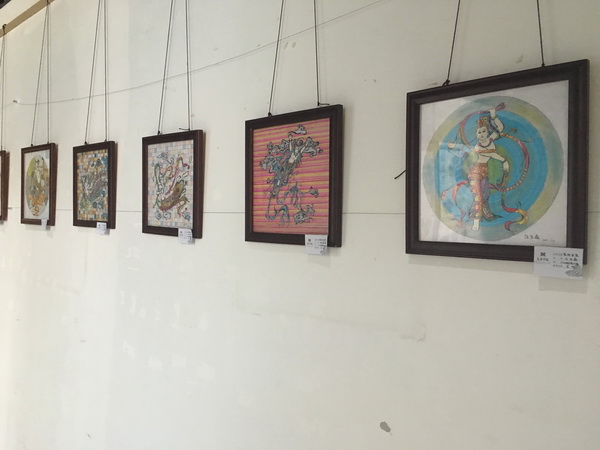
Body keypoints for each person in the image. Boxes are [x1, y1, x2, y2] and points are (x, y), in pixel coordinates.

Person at [468, 108, 509, 231]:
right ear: (476, 135)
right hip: (475, 172)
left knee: (486, 194)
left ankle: (485, 214)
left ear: (487, 132)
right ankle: (476, 221)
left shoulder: (491, 139)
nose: (481, 134)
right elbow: (492, 154)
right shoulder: (478, 147)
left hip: (484, 171)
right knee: (478, 196)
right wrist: (504, 161)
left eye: (483, 131)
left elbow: (500, 127)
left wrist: (493, 115)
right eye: (479, 132)